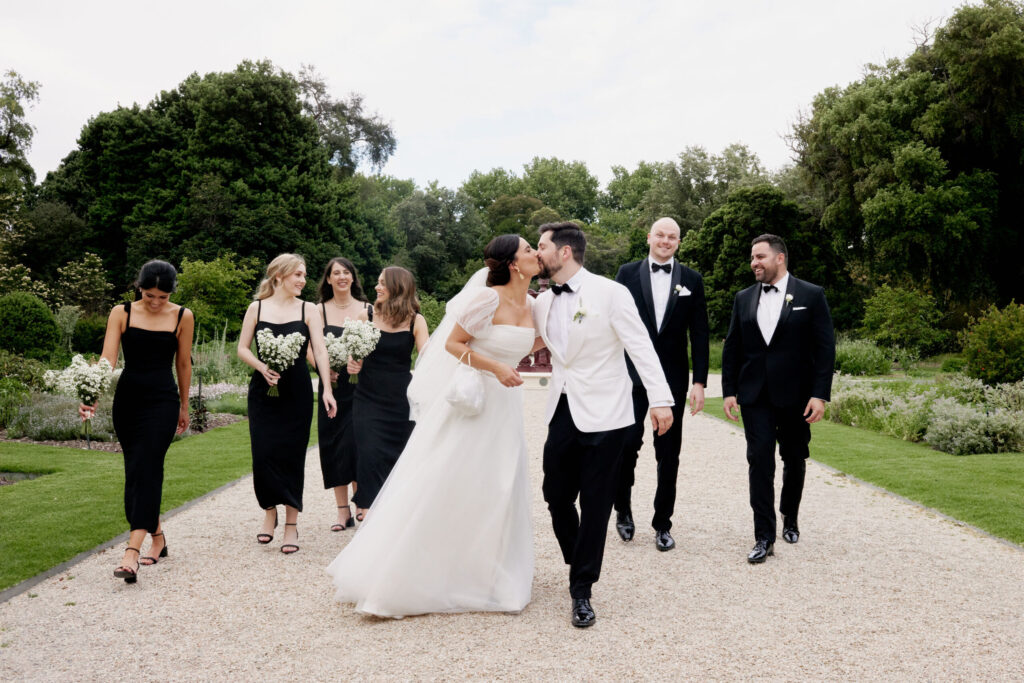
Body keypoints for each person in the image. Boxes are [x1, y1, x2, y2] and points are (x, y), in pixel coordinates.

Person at [327, 235, 541, 617]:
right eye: (528, 250)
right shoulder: (486, 299)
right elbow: (454, 344)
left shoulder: (534, 303)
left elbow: (537, 342)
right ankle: (411, 572)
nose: (536, 254)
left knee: (500, 484)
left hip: (506, 407)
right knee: (449, 479)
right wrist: (496, 367)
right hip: (474, 402)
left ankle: (485, 573)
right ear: (512, 263)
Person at [533, 222, 674, 628]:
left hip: (609, 415)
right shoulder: (541, 301)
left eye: (541, 246)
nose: (536, 253)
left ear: (564, 253)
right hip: (562, 410)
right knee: (555, 495)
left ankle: (582, 590)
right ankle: (578, 558)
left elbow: (640, 346)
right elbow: (520, 342)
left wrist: (661, 399)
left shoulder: (611, 293)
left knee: (595, 504)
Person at [722, 234, 835, 563]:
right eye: (752, 258)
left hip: (797, 395)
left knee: (795, 457)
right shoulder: (743, 298)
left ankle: (790, 515)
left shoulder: (811, 296)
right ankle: (764, 536)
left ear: (780, 258)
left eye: (760, 257)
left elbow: (825, 349)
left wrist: (819, 394)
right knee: (759, 461)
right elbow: (732, 348)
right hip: (755, 395)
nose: (754, 263)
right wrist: (729, 390)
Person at [80, 260, 194, 584]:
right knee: (136, 470)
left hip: (163, 401)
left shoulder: (183, 316)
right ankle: (157, 535)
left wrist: (184, 405)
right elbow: (108, 358)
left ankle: (132, 551)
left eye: (162, 296)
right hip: (128, 401)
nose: (156, 302)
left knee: (148, 466)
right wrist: (92, 393)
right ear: (139, 287)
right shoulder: (122, 312)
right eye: (149, 295)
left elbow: (183, 363)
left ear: (171, 293)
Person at [613, 217, 710, 551]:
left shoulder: (692, 280)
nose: (666, 241)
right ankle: (622, 509)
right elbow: (612, 324)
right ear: (649, 238)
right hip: (630, 376)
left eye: (672, 237)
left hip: (671, 380)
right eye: (661, 235)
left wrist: (699, 382)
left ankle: (662, 524)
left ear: (678, 243)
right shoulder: (626, 274)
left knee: (669, 453)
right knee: (626, 445)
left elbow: (699, 333)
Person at [237, 253, 337, 555]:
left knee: (292, 456)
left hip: (297, 392)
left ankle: (291, 524)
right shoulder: (257, 308)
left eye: (304, 275)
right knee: (264, 454)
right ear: (279, 275)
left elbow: (319, 350)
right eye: (298, 275)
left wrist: (328, 390)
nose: (303, 281)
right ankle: (270, 511)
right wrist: (260, 366)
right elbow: (242, 348)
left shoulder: (309, 309)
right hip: (262, 392)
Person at [347, 266, 429, 520]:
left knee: (400, 459)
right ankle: (369, 515)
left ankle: (394, 518)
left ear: (397, 287)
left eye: (382, 283)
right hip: (368, 399)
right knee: (369, 455)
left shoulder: (416, 320)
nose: (376, 287)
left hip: (401, 402)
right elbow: (353, 353)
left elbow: (427, 360)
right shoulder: (366, 315)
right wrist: (352, 362)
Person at [306, 257, 370, 532]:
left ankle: (361, 504)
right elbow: (309, 346)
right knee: (334, 444)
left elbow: (374, 344)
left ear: (353, 278)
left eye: (346, 272)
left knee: (358, 443)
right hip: (331, 387)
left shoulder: (368, 308)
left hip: (361, 387)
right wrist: (323, 370)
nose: (342, 277)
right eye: (336, 273)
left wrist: (361, 363)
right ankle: (341, 511)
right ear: (328, 279)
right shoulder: (317, 310)